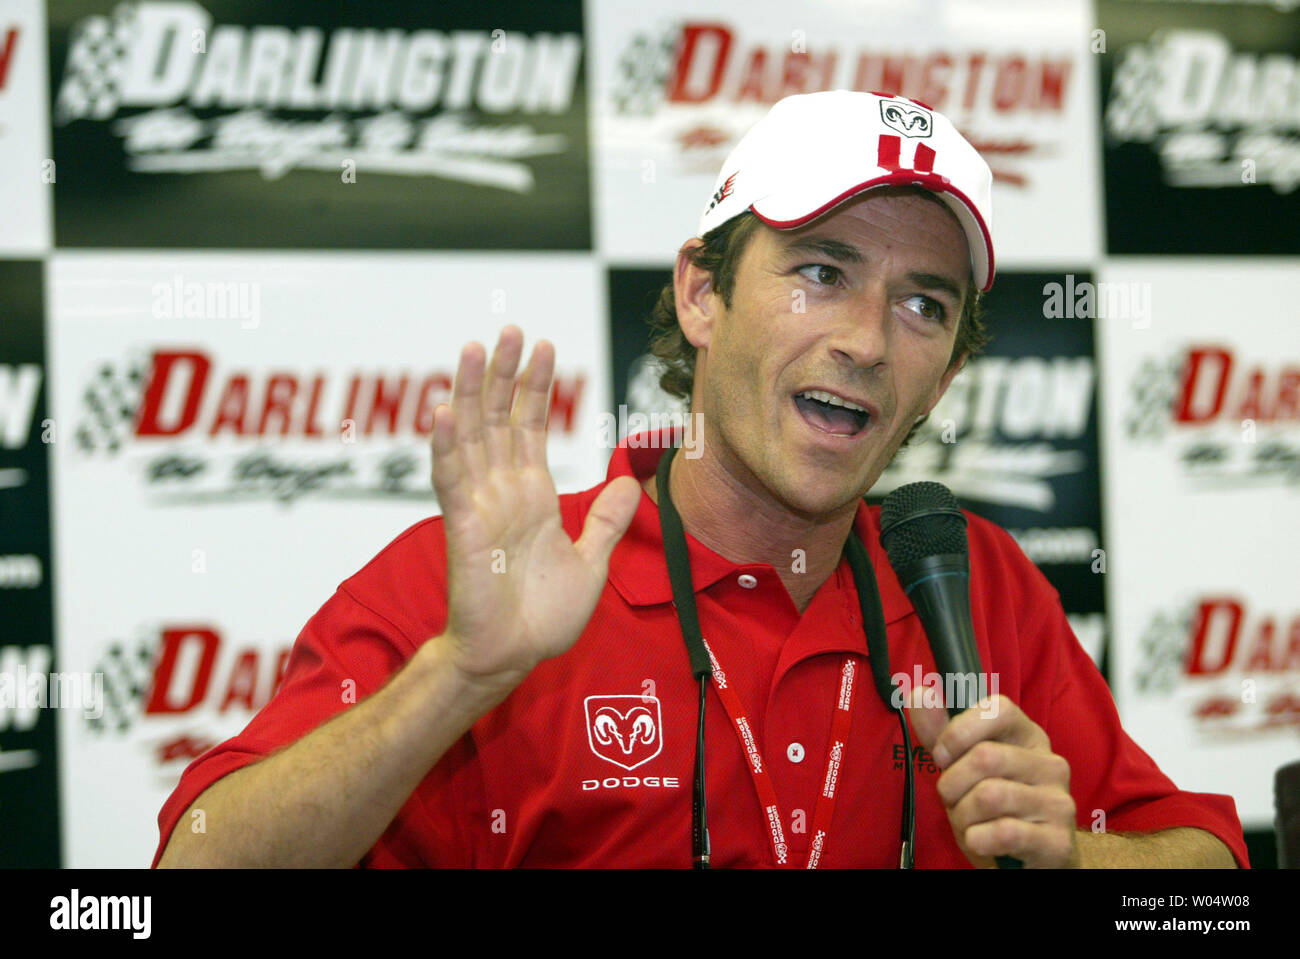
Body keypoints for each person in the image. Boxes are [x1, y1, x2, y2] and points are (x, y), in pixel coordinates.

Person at [153, 91, 1247, 869]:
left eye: (925, 303)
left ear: (948, 370)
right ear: (699, 294)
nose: (867, 338)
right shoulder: (498, 580)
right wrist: (462, 676)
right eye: (820, 271)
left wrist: (1078, 859)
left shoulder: (976, 587)